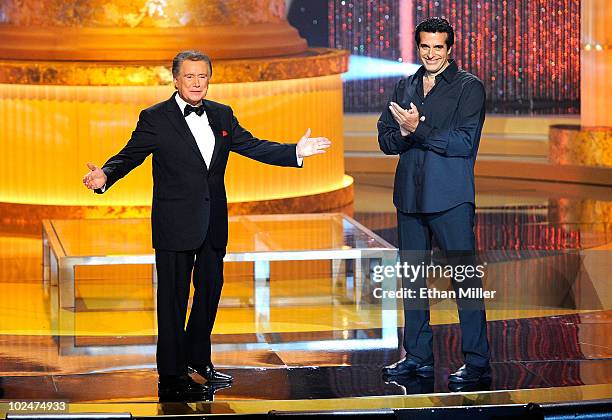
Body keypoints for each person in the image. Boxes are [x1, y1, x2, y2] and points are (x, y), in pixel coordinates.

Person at [83, 50, 331, 401]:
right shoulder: (155, 117)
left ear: (209, 78)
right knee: (172, 300)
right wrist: (105, 175)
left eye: (202, 76)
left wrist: (295, 152)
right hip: (174, 224)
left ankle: (199, 363)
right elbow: (130, 155)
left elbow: (252, 146)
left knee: (209, 293)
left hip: (212, 222)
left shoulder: (221, 114)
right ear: (176, 79)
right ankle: (171, 373)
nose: (196, 83)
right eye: (189, 77)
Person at [377, 18, 490, 388]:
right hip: (409, 197)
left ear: (450, 48)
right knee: (412, 282)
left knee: (465, 282)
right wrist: (407, 134)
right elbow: (386, 139)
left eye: (438, 47)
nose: (430, 53)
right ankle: (419, 357)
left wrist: (417, 130)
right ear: (418, 47)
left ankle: (476, 362)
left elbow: (462, 143)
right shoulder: (405, 84)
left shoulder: (467, 88)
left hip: (450, 199)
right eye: (425, 46)